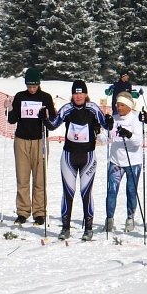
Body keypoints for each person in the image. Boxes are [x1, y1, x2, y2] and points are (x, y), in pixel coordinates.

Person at [42, 80, 109, 241]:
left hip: (88, 157)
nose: (78, 96)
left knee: (86, 193)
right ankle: (65, 228)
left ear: (85, 94)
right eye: (75, 93)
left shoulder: (93, 108)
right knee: (68, 192)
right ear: (72, 95)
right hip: (68, 157)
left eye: (81, 93)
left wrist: (109, 121)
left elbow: (106, 124)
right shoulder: (67, 109)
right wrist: (44, 118)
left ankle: (88, 228)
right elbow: (53, 125)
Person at [4, 67, 55, 226]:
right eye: (29, 86)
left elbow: (53, 120)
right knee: (23, 178)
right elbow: (12, 119)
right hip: (21, 140)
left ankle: (39, 212)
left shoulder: (45, 97)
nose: (32, 89)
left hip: (40, 140)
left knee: (40, 178)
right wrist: (9, 108)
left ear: (39, 84)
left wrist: (46, 116)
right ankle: (22, 211)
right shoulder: (20, 96)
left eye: (34, 86)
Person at [105, 92, 146, 233]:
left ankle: (130, 218)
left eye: (122, 105)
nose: (119, 107)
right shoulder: (114, 118)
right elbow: (103, 139)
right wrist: (106, 127)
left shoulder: (135, 119)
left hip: (133, 161)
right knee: (111, 190)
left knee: (131, 191)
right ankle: (109, 219)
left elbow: (137, 142)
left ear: (129, 106)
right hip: (116, 161)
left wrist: (128, 134)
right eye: (117, 105)